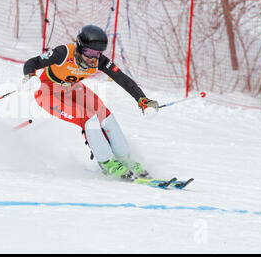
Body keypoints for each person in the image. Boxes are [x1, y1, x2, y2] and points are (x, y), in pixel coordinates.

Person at [22, 25, 159, 180]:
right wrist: (30, 76)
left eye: (98, 53)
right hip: (47, 92)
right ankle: (107, 163)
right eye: (89, 52)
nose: (93, 57)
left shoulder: (99, 61)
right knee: (88, 117)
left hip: (70, 89)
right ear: (80, 47)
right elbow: (32, 62)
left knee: (103, 114)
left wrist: (142, 99)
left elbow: (122, 79)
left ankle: (126, 159)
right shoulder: (63, 53)